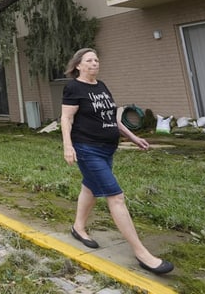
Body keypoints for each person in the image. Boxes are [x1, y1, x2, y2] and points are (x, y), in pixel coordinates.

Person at [60, 48, 174, 275]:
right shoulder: (73, 87)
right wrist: (68, 146)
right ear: (78, 66)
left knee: (90, 187)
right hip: (87, 148)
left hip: (106, 149)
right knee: (116, 196)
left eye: (96, 60)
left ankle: (78, 227)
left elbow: (112, 118)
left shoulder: (101, 86)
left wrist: (133, 137)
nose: (94, 63)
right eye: (89, 60)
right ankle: (142, 253)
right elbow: (66, 117)